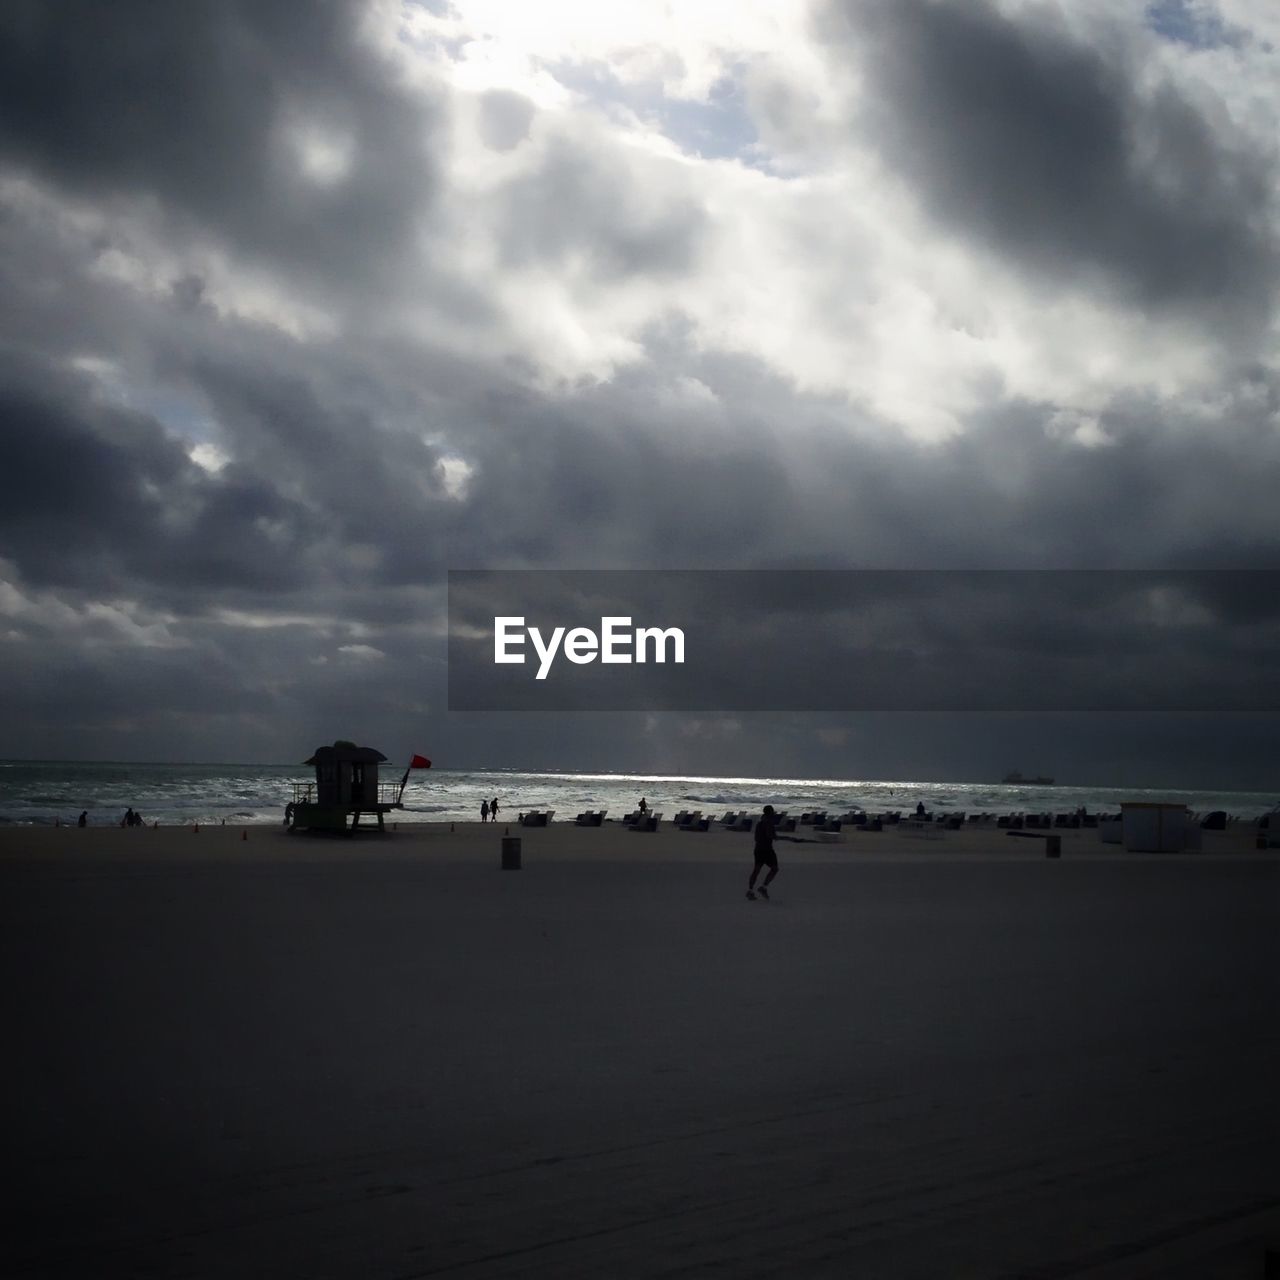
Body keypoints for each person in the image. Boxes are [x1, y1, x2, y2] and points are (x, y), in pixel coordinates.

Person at [747, 804, 779, 900]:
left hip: (758, 849)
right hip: (767, 850)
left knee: (756, 870)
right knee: (774, 869)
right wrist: (775, 837)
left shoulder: (759, 823)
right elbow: (770, 835)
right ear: (770, 813)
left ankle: (750, 890)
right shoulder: (768, 823)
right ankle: (763, 887)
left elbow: (756, 838)